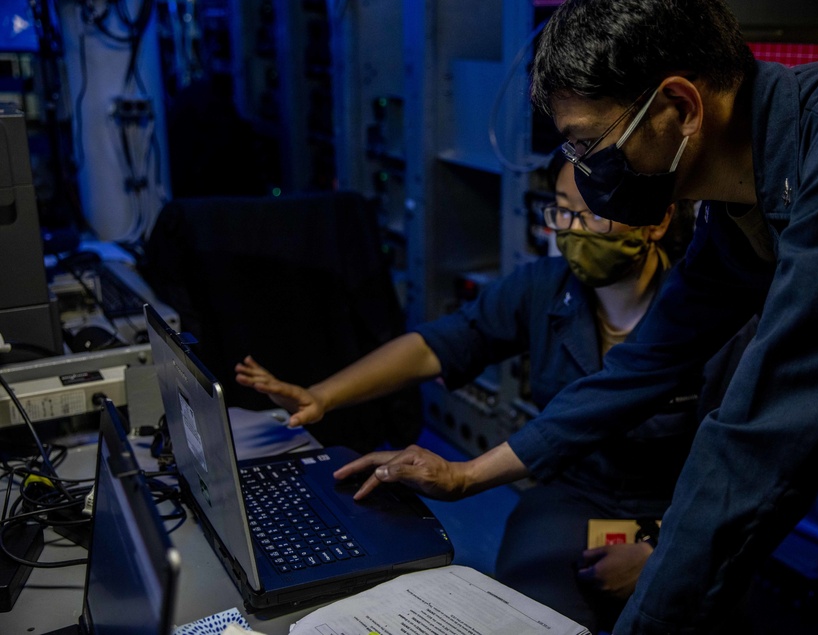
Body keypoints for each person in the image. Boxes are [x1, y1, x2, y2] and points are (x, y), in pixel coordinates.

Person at [333, 0, 818, 633]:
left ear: (679, 107)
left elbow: (762, 439)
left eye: (589, 144)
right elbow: (644, 365)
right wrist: (466, 475)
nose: (584, 177)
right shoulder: (746, 189)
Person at [235, 157, 697, 632]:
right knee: (525, 615)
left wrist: (658, 550)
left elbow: (740, 465)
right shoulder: (543, 287)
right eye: (561, 211)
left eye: (595, 213)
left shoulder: (706, 310)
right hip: (572, 493)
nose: (573, 231)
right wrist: (322, 395)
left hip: (681, 508)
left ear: (658, 219)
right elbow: (441, 344)